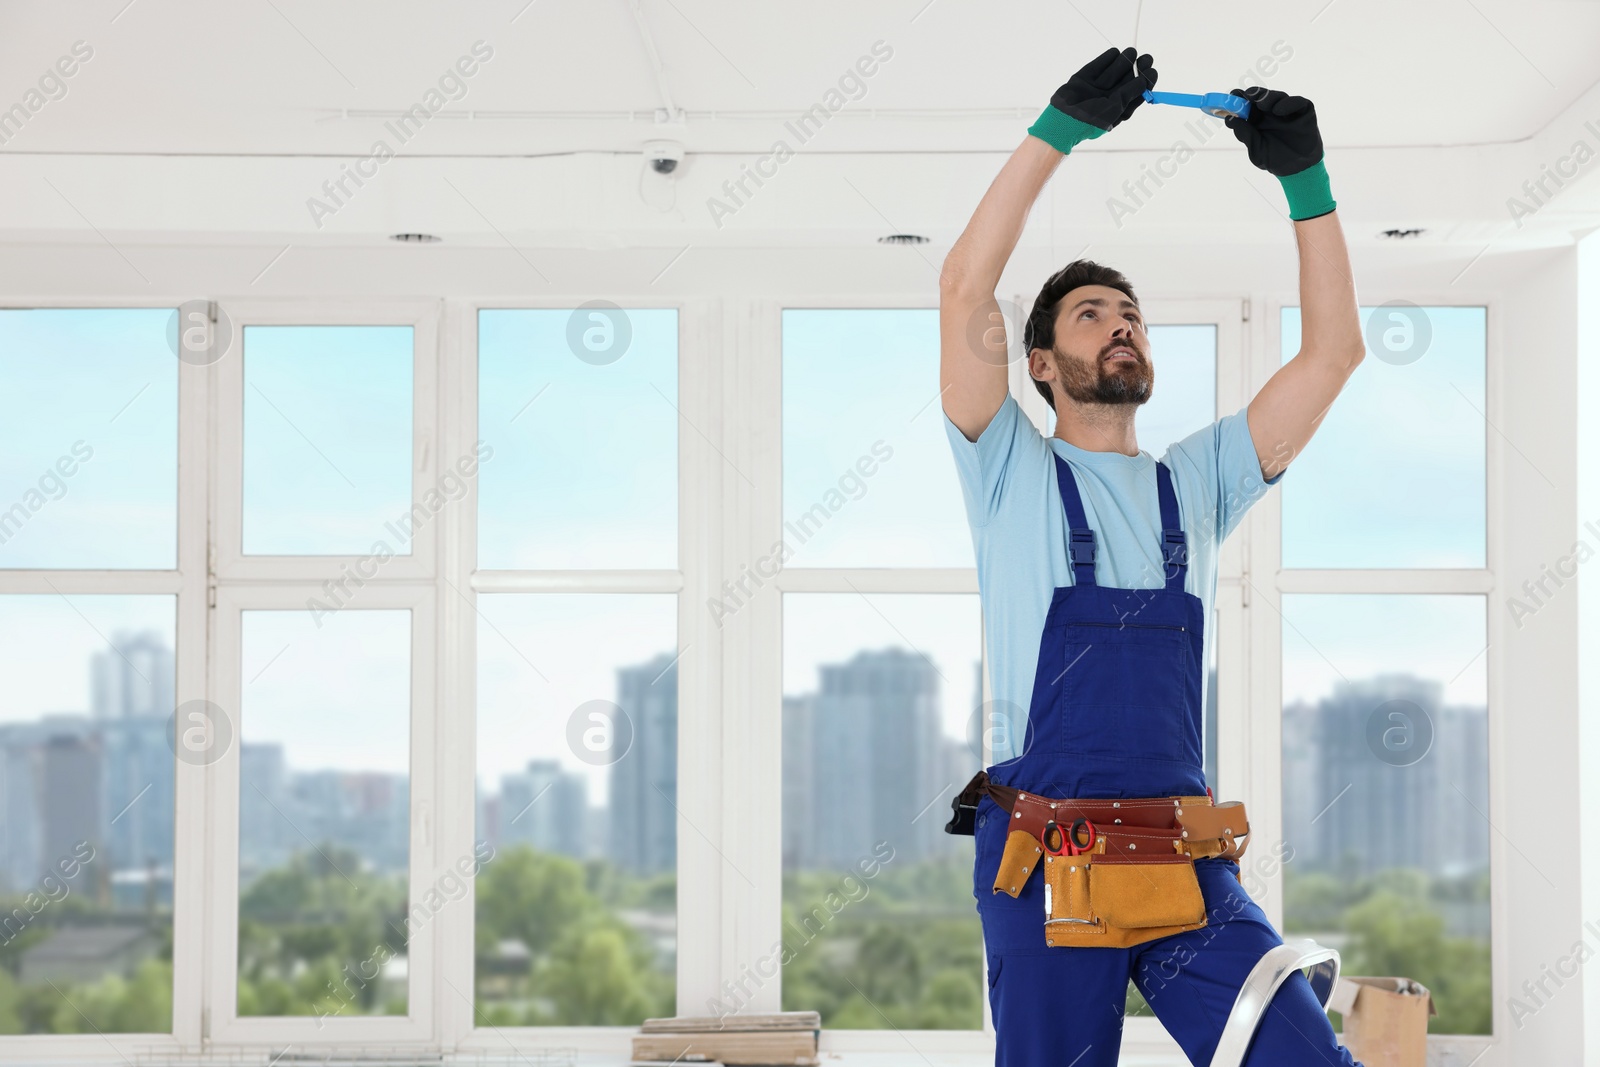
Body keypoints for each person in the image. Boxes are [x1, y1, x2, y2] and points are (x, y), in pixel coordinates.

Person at [938, 46, 1367, 1067]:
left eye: (1129, 314)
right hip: (1042, 850)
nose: (1120, 325)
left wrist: (1303, 178)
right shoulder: (1005, 467)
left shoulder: (1197, 479)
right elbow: (963, 281)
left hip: (1185, 854)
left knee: (1304, 1055)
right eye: (1092, 314)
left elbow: (1333, 351)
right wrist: (1059, 129)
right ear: (1039, 363)